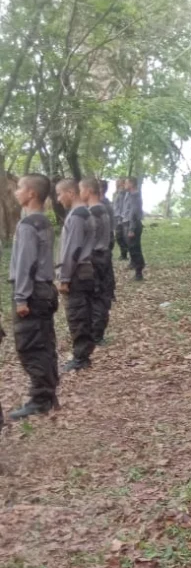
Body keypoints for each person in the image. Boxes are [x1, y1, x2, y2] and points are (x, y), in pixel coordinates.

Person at [8, 174, 59, 419]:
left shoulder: (28, 225)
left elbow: (25, 265)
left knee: (30, 345)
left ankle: (41, 399)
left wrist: (21, 298)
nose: (16, 192)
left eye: (19, 188)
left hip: (32, 292)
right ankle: (48, 392)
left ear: (31, 194)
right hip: (44, 289)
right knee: (45, 341)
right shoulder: (44, 222)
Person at [56, 179, 97, 372]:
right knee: (81, 313)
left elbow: (72, 249)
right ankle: (83, 354)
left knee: (77, 314)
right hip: (82, 271)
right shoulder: (80, 213)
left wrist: (64, 278)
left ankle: (81, 357)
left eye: (59, 194)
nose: (58, 199)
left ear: (71, 193)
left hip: (77, 273)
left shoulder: (78, 216)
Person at [82, 178, 113, 346]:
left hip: (96, 258)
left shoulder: (93, 212)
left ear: (88, 191)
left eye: (81, 189)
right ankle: (97, 333)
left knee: (97, 296)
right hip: (103, 256)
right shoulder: (103, 209)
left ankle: (96, 334)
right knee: (101, 296)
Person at [124, 177, 145, 281]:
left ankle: (139, 273)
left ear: (131, 184)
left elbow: (134, 213)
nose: (125, 185)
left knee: (135, 249)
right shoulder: (130, 195)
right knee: (132, 249)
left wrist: (131, 229)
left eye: (126, 183)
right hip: (130, 224)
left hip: (134, 225)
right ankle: (137, 269)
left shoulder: (135, 196)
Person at [113, 179, 129, 260]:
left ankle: (124, 254)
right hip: (116, 217)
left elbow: (123, 206)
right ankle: (123, 253)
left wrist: (120, 218)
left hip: (122, 218)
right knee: (118, 237)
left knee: (122, 236)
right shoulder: (116, 193)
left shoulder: (124, 194)